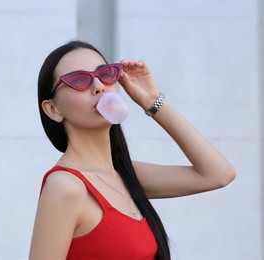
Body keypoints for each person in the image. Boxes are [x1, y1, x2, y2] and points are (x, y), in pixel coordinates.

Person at [29, 40, 236, 260]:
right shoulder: (65, 187)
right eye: (79, 80)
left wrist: (152, 101)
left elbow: (219, 174)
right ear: (53, 109)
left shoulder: (127, 175)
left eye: (106, 73)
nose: (98, 85)